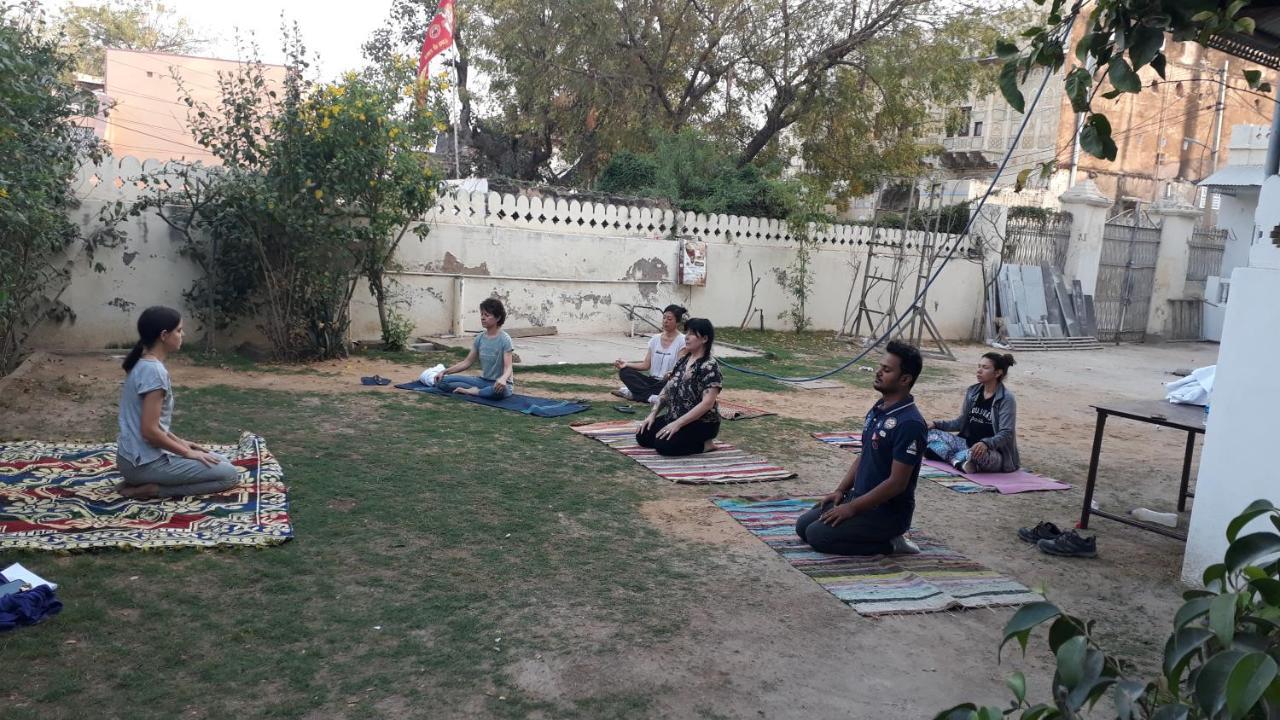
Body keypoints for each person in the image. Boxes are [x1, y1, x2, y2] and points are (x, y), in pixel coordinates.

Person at [795, 341, 927, 556]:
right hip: (859, 498)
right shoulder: (879, 408)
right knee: (803, 527)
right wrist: (840, 491)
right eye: (880, 367)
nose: (878, 372)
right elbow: (865, 453)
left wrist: (852, 508)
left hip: (887, 512)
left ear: (905, 379)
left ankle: (892, 543)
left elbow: (897, 483)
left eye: (887, 370)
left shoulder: (910, 423)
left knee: (819, 536)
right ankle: (858, 519)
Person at [115, 306, 239, 499]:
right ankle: (150, 490)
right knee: (229, 476)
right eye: (179, 330)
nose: (183, 334)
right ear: (164, 335)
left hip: (133, 459)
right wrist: (186, 453)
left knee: (221, 461)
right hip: (142, 463)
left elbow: (152, 424)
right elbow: (149, 431)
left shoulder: (142, 364)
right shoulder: (154, 372)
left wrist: (181, 443)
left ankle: (143, 480)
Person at [635, 318, 721, 456]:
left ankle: (706, 445)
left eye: (692, 333)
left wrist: (677, 424)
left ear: (704, 339)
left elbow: (707, 404)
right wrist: (652, 415)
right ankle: (678, 433)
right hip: (675, 415)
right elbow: (667, 389)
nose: (686, 337)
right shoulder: (682, 361)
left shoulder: (709, 366)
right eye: (686, 332)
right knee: (643, 435)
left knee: (663, 446)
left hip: (702, 423)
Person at [926, 352, 1020, 474]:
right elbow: (961, 422)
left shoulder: (1006, 398)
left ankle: (953, 456)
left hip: (991, 452)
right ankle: (957, 461)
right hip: (966, 443)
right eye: (979, 366)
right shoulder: (973, 392)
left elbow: (1006, 433)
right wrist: (935, 424)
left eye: (985, 368)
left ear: (997, 373)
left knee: (975, 454)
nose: (979, 371)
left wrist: (986, 443)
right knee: (930, 434)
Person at [433, 297, 515, 399]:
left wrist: (503, 379)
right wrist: (444, 372)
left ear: (498, 318)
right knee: (441, 381)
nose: (482, 318)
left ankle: (475, 392)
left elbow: (508, 367)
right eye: (482, 314)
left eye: (487, 315)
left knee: (498, 391)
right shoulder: (480, 338)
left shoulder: (505, 339)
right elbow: (467, 362)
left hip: (501, 384)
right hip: (482, 381)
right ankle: (476, 391)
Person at [613, 304, 687, 403]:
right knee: (624, 372)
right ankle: (649, 397)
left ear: (677, 322)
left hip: (667, 382)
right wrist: (626, 364)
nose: (665, 321)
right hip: (651, 381)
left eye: (669, 319)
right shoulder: (655, 339)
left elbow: (680, 368)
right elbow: (645, 365)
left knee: (670, 388)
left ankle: (635, 394)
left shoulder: (683, 341)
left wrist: (670, 374)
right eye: (664, 318)